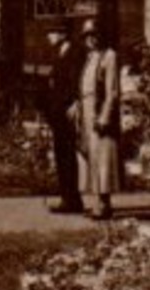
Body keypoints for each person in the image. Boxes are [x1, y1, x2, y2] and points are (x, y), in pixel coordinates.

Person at [78, 17, 121, 220]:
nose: (91, 39)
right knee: (92, 157)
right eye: (87, 35)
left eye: (94, 35)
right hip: (86, 110)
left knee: (103, 157)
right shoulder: (89, 58)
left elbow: (112, 90)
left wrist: (105, 117)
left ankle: (104, 204)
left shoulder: (109, 55)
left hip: (99, 110)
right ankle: (97, 201)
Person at [43, 19, 84, 213]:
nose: (48, 36)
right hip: (58, 111)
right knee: (61, 154)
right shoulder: (58, 53)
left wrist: (77, 101)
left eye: (52, 32)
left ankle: (72, 199)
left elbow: (78, 80)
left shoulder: (76, 53)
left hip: (69, 110)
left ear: (62, 34)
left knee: (67, 154)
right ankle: (67, 197)